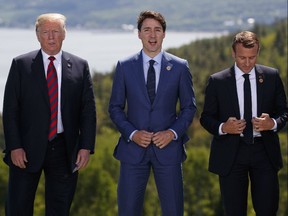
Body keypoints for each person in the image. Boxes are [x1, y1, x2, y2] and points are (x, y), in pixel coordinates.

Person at [2, 13, 96, 216]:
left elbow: (87, 110)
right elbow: (10, 110)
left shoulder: (80, 66)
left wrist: (86, 146)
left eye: (56, 32)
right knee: (18, 208)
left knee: (60, 210)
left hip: (65, 148)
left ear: (64, 34)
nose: (51, 37)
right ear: (37, 36)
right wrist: (14, 147)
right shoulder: (21, 65)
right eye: (46, 32)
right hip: (25, 150)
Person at [109, 10, 196, 216]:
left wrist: (172, 133)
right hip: (133, 151)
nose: (152, 35)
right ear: (139, 34)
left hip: (168, 150)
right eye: (147, 30)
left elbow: (189, 107)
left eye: (157, 30)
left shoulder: (179, 67)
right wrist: (132, 134)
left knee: (174, 211)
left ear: (164, 34)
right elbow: (115, 108)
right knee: (128, 211)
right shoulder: (124, 66)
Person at [200, 31, 288, 216]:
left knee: (267, 211)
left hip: (265, 152)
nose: (247, 63)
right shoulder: (218, 81)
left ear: (258, 52)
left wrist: (271, 123)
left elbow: (284, 112)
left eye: (252, 57)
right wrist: (224, 127)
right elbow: (206, 117)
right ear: (233, 53)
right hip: (231, 155)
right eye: (242, 58)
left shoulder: (271, 77)